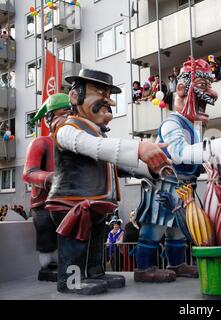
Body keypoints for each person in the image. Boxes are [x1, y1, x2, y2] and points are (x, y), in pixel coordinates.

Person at [133, 57, 221, 283]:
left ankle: (177, 263)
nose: (210, 96)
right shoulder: (172, 124)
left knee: (177, 230)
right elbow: (180, 153)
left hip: (184, 188)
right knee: (155, 228)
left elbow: (204, 158)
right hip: (165, 186)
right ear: (181, 90)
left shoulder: (192, 128)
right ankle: (144, 267)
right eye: (203, 90)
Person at [45, 69, 171, 295]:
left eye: (109, 95)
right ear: (75, 97)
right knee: (76, 243)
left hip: (96, 205)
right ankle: (71, 281)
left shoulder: (98, 136)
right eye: (99, 93)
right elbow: (92, 147)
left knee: (94, 243)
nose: (108, 100)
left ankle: (95, 273)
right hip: (71, 204)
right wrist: (139, 148)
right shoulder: (68, 130)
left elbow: (116, 163)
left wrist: (152, 169)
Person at [22, 93, 72, 282]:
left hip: (68, 202)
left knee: (69, 236)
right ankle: (48, 266)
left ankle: (68, 265)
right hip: (43, 203)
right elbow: (28, 173)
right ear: (50, 118)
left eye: (71, 113)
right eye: (63, 113)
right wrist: (50, 177)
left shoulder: (75, 146)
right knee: (47, 235)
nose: (68, 118)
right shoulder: (41, 142)